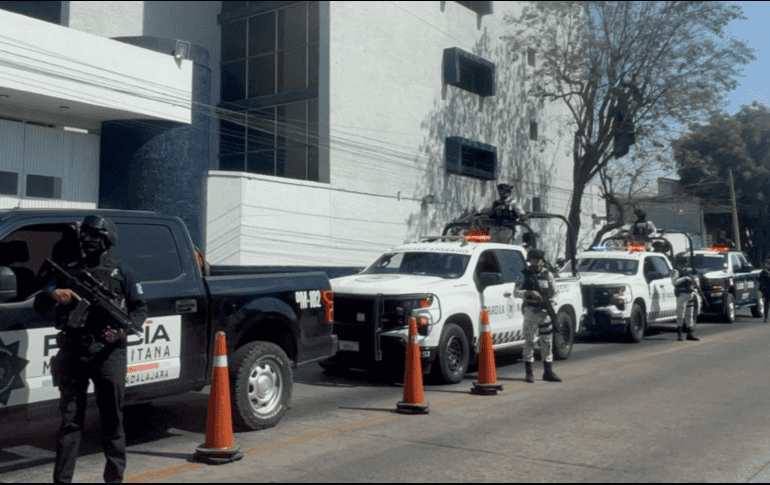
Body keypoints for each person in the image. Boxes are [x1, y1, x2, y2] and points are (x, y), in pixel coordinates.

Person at [39, 216, 147, 483]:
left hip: (109, 353)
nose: (88, 241)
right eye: (85, 235)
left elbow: (140, 309)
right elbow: (40, 301)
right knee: (70, 422)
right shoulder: (68, 271)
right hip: (74, 351)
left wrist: (121, 331)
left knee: (112, 421)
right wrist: (54, 294)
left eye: (94, 236)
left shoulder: (122, 273)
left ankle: (114, 479)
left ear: (107, 240)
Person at [514, 248, 561, 383]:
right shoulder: (524, 274)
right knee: (529, 341)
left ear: (542, 260)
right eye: (533, 260)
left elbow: (556, 292)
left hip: (545, 311)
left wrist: (552, 301)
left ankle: (548, 372)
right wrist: (529, 293)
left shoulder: (548, 275)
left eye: (538, 260)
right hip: (530, 310)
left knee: (547, 341)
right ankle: (529, 373)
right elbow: (515, 292)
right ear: (530, 261)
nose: (536, 262)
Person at [672, 267, 699, 341]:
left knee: (689, 314)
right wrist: (684, 278)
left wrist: (694, 284)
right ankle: (679, 334)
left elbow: (695, 282)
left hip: (689, 294)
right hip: (681, 295)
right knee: (680, 315)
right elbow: (674, 282)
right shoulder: (676, 271)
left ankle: (689, 334)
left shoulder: (690, 270)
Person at [759, 258, 770, 323]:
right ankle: (765, 317)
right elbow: (760, 279)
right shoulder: (764, 272)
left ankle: (766, 317)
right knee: (766, 302)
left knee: (766, 302)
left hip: (767, 289)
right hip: (767, 289)